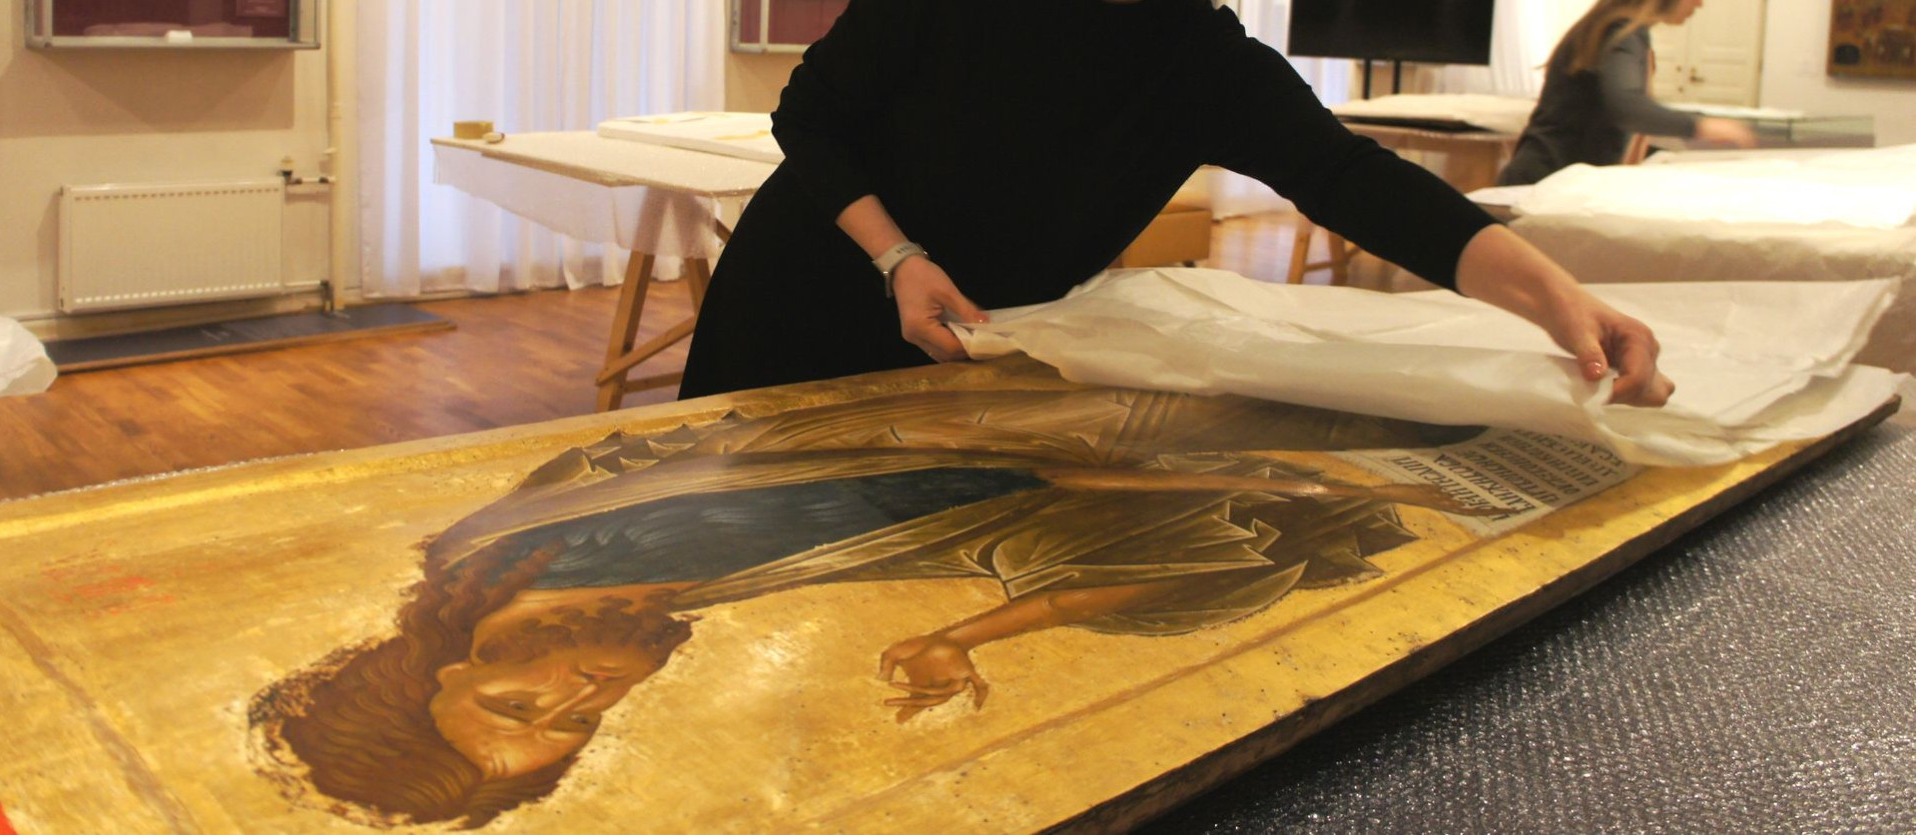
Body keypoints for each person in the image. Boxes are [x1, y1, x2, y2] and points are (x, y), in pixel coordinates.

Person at [679, 0, 1675, 407]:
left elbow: (1357, 181)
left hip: (970, 341)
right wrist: (898, 257)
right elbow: (809, 114)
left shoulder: (1207, 64)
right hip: (804, 298)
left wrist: (1562, 301)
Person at [253, 383, 1507, 826]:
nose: (582, 692)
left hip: (1026, 418)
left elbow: (830, 455)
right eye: (574, 722)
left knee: (1378, 422)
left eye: (519, 702)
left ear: (432, 670)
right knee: (1225, 557)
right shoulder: (668, 599)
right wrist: (961, 631)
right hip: (1053, 472)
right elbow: (963, 523)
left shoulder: (515, 540)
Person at [1498, 0, 1756, 186]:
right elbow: (1627, 107)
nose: (1700, 2)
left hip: (1549, 180)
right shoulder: (1620, 31)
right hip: (1542, 184)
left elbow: (1608, 128)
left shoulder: (1621, 28)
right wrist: (1701, 126)